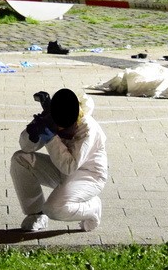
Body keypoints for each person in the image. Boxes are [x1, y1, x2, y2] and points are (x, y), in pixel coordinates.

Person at [10, 88, 108, 232]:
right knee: (20, 159)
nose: (61, 131)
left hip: (89, 176)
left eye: (65, 129)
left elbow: (69, 166)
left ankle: (93, 207)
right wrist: (33, 134)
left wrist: (51, 138)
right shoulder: (53, 116)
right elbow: (26, 147)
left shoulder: (88, 129)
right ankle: (36, 215)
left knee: (54, 209)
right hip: (62, 168)